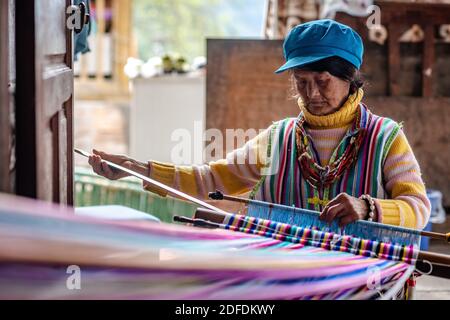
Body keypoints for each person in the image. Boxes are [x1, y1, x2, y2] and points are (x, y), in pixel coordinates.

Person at [89, 19, 430, 229]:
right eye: (301, 80)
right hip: (287, 268)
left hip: (358, 274)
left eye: (323, 81)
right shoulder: (278, 139)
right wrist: (138, 170)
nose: (310, 93)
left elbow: (418, 210)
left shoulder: (385, 138)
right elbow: (211, 178)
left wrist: (368, 207)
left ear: (350, 79)